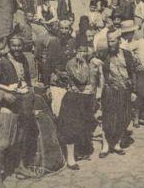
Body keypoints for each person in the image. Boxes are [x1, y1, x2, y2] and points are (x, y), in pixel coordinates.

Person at [0, 36, 37, 188]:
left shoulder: (23, 60)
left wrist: (30, 91)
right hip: (7, 108)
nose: (17, 49)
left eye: (19, 46)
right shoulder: (1, 63)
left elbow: (27, 81)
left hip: (23, 106)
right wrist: (3, 95)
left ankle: (20, 166)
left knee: (21, 139)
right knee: (3, 144)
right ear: (9, 46)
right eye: (14, 46)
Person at [57, 42, 98, 170]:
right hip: (73, 98)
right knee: (71, 128)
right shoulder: (72, 64)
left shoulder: (89, 62)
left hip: (85, 98)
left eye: (85, 51)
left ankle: (80, 152)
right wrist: (87, 64)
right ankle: (70, 159)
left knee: (84, 125)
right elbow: (82, 79)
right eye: (80, 50)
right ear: (75, 51)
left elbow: (94, 82)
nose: (83, 53)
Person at [99, 30, 137, 157]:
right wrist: (93, 59)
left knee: (124, 117)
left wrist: (134, 91)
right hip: (110, 89)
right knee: (107, 118)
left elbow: (133, 73)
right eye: (109, 41)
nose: (110, 44)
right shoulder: (104, 53)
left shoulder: (127, 54)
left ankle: (116, 144)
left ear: (119, 40)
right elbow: (90, 56)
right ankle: (105, 146)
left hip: (125, 89)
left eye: (113, 41)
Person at [119, 20, 144, 127]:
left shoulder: (138, 41)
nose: (133, 34)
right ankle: (136, 117)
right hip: (138, 71)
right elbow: (127, 53)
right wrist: (134, 58)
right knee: (139, 93)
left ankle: (141, 115)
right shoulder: (125, 43)